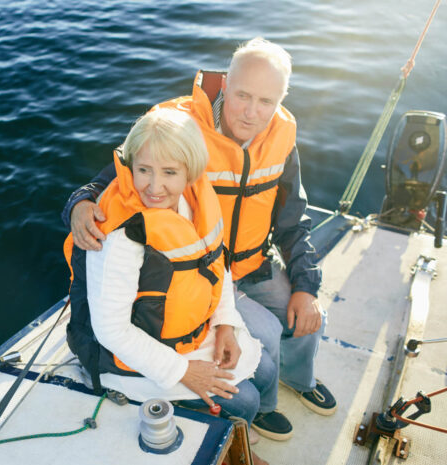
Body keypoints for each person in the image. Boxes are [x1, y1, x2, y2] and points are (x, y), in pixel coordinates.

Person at [62, 37, 336, 442]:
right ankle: (258, 408)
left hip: (249, 265)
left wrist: (305, 286)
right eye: (243, 95)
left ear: (281, 100)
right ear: (224, 85)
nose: (251, 111)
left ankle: (300, 380)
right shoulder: (180, 126)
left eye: (266, 101)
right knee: (265, 336)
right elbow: (120, 175)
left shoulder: (281, 139)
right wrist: (79, 203)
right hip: (197, 269)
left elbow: (294, 220)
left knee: (310, 316)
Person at [64, 107, 284, 465]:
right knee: (244, 400)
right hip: (129, 358)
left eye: (169, 173)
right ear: (130, 166)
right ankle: (239, 452)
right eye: (144, 169)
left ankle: (244, 428)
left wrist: (225, 323)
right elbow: (111, 332)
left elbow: (217, 266)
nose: (154, 186)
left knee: (264, 371)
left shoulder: (195, 202)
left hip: (190, 333)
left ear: (189, 173)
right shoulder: (119, 236)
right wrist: (184, 373)